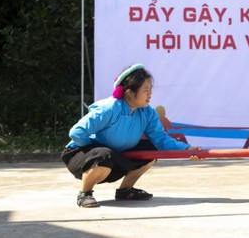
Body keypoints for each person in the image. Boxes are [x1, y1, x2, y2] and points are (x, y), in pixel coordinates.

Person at [61, 64, 201, 208]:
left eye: (150, 90)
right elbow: (76, 132)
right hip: (81, 155)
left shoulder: (148, 113)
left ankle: (125, 190)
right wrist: (94, 149)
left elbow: (161, 140)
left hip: (115, 155)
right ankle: (85, 193)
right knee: (105, 155)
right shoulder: (109, 108)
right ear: (129, 92)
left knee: (151, 149)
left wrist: (187, 149)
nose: (150, 94)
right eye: (146, 90)